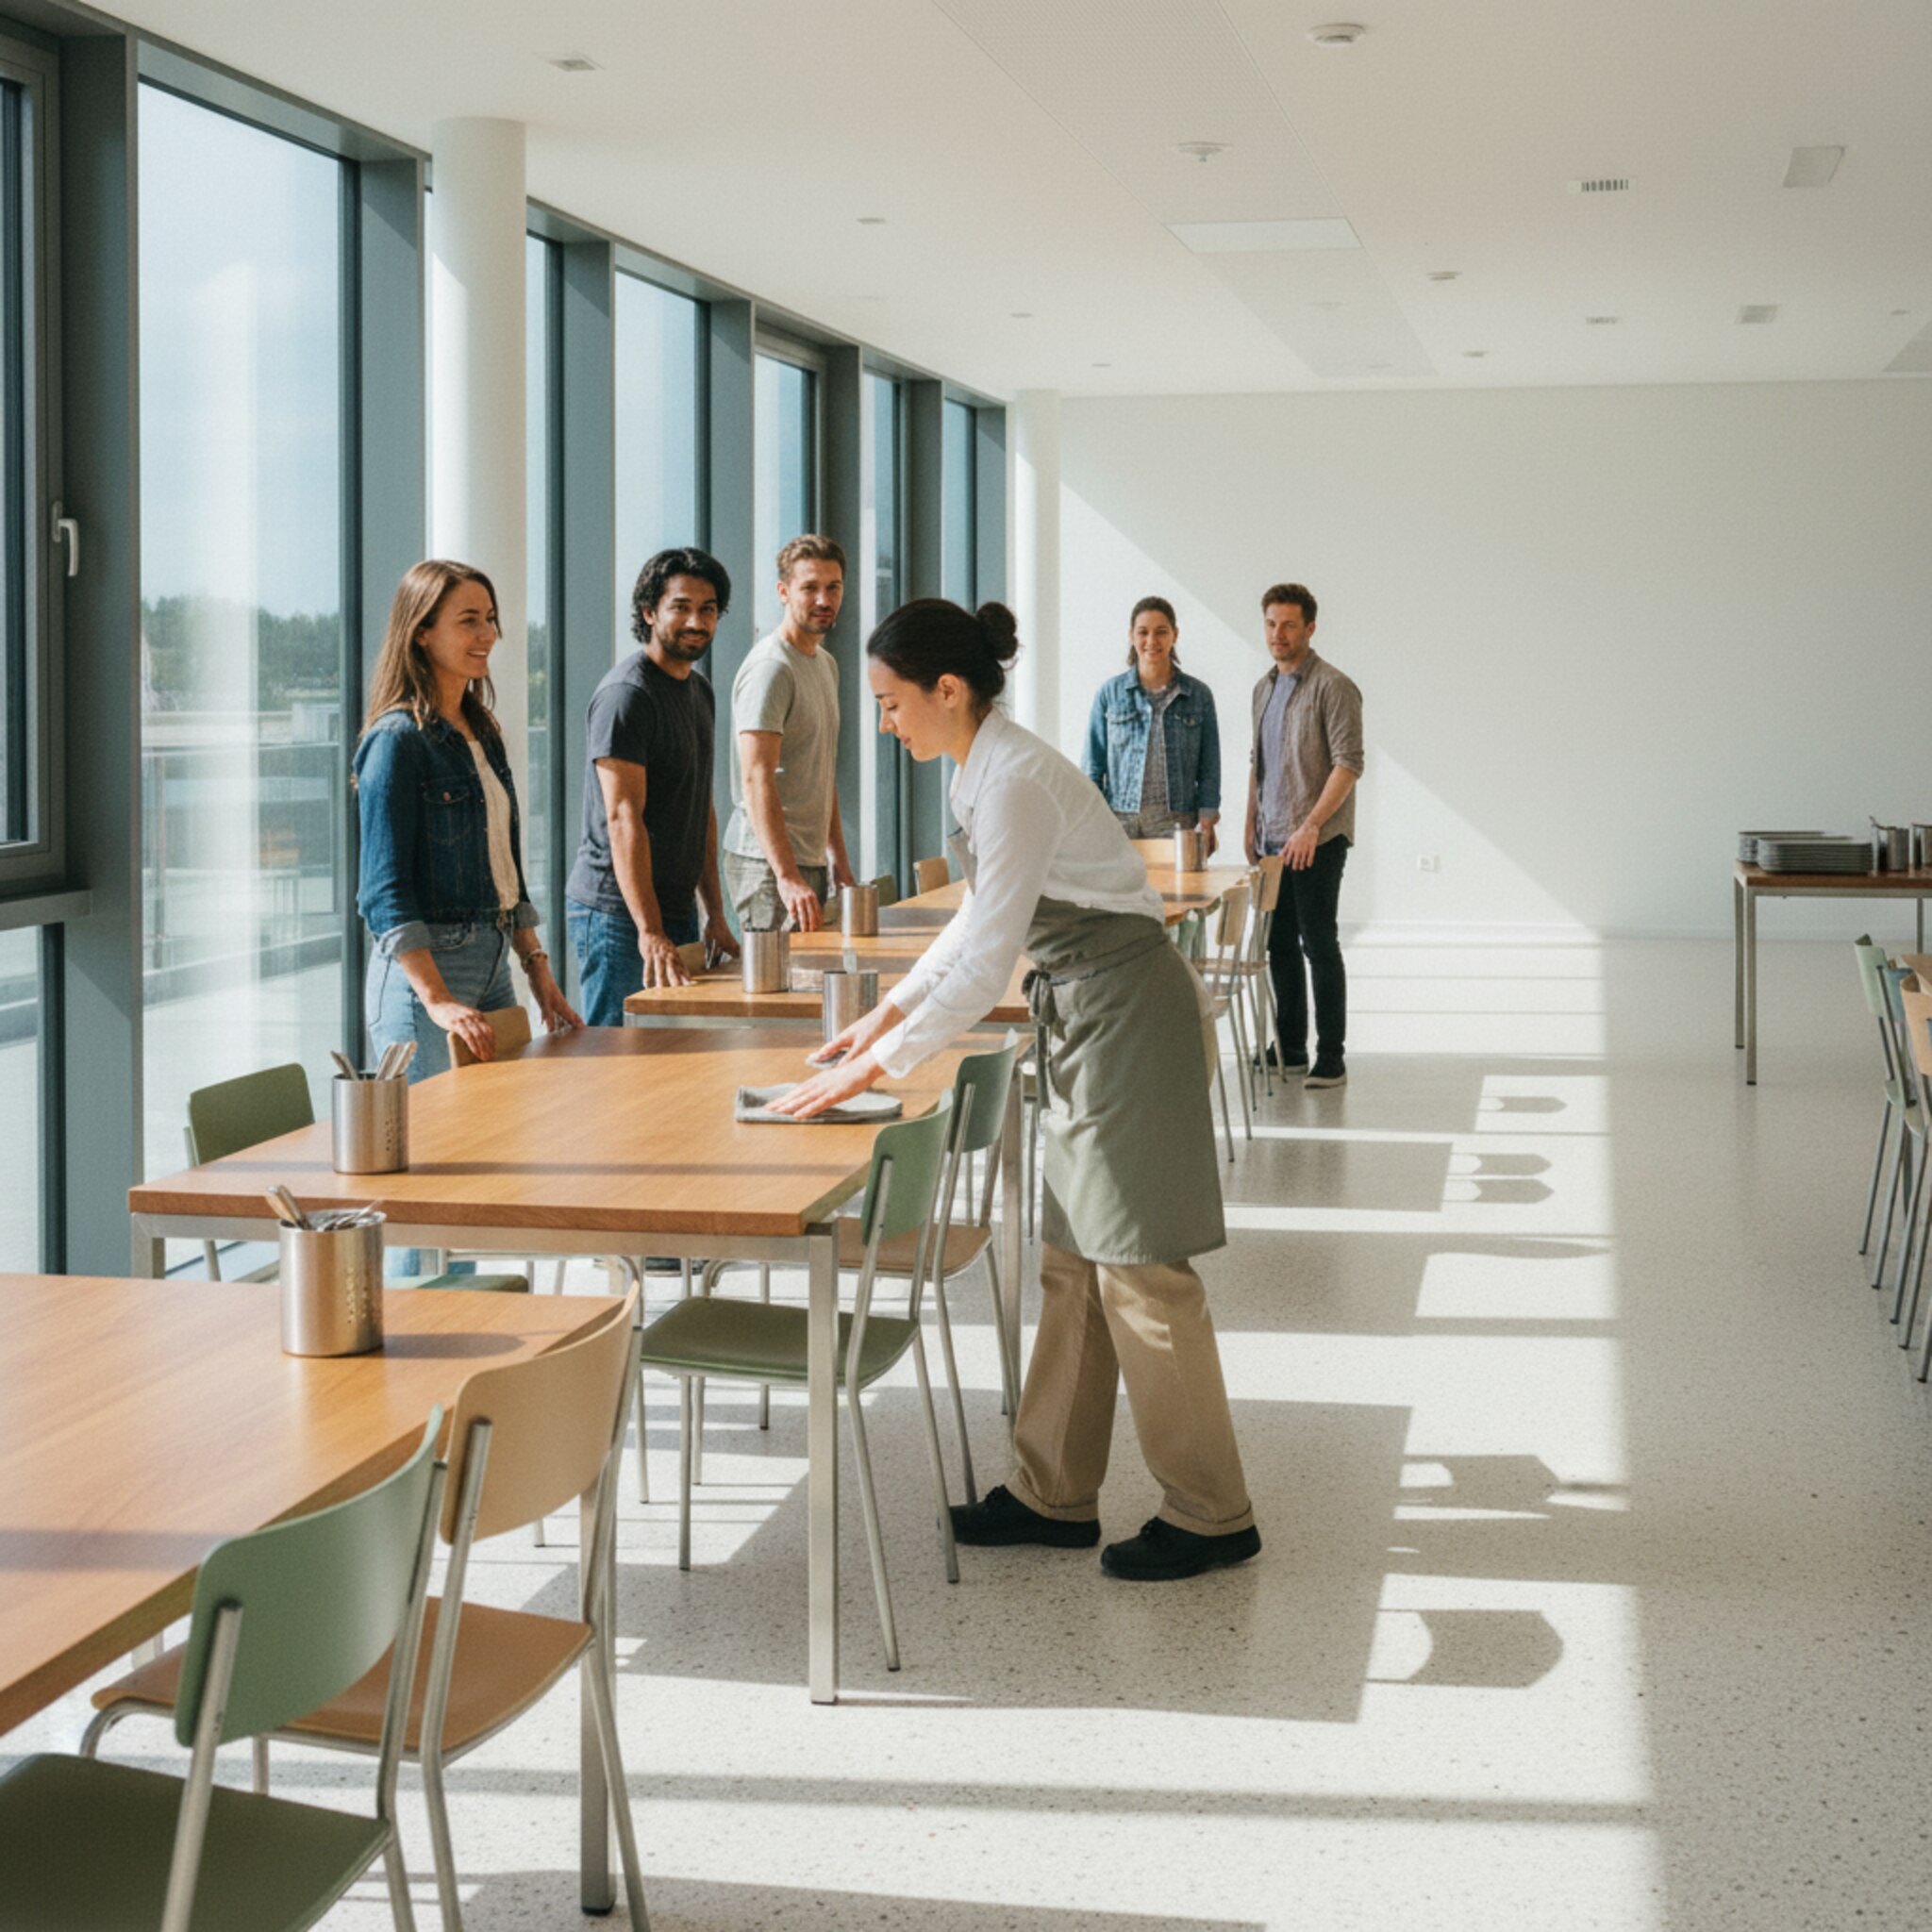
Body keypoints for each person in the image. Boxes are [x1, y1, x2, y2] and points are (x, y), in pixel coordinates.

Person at [774, 598, 1259, 1583]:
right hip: (1088, 1014)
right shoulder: (985, 773)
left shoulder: (1014, 783)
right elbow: (971, 927)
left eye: (890, 701)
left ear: (946, 690)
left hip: (1125, 1016)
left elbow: (990, 947)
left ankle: (1213, 1511)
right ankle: (1053, 1492)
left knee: (1140, 1269)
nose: (885, 721)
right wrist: (882, 1015)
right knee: (1071, 1260)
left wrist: (880, 1064)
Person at [355, 559, 580, 1078]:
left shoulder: (482, 728)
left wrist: (536, 965)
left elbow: (505, 860)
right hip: (426, 976)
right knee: (440, 1147)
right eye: (469, 620)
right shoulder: (395, 741)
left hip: (494, 961)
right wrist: (434, 999)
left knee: (497, 1131)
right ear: (422, 634)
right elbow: (382, 890)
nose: (489, 634)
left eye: (491, 618)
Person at [565, 547, 740, 1024]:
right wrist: (649, 930)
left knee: (674, 1055)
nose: (696, 621)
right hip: (618, 916)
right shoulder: (627, 697)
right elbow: (623, 820)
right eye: (680, 606)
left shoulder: (699, 691)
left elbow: (699, 809)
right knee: (616, 1058)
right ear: (649, 612)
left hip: (675, 910)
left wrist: (716, 914)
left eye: (708, 610)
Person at [1243, 583, 1363, 1090]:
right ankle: (1289, 1048)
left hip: (1317, 840)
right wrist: (1251, 821)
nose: (1279, 633)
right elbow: (1260, 764)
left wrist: (1311, 825)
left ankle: (1330, 1056)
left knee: (1319, 944)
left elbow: (1348, 763)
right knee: (1280, 948)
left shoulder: (1334, 686)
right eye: (1271, 623)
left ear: (1310, 628)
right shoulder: (1263, 689)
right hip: (1272, 842)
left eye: (1289, 624)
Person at [721, 534, 857, 932]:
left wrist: (839, 859)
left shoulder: (825, 664)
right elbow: (756, 776)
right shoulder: (771, 668)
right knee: (778, 990)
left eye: (833, 587)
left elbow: (821, 770)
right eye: (809, 588)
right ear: (783, 592)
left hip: (808, 858)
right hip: (767, 865)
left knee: (809, 985)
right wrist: (785, 874)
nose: (823, 600)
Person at [1080, 595, 1222, 851]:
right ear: (1132, 636)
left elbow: (1209, 767)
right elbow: (1092, 766)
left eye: (1161, 632)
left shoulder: (1198, 695)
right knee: (1120, 891)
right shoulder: (1109, 694)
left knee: (1172, 892)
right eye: (1143, 632)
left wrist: (1207, 821)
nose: (1151, 641)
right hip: (1119, 822)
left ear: (1174, 635)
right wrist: (1093, 822)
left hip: (1177, 823)